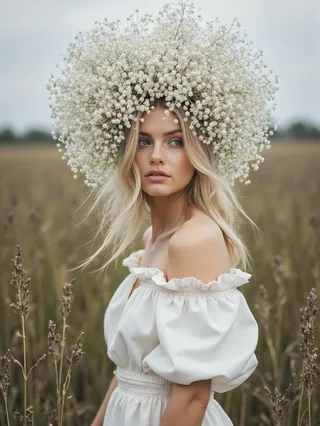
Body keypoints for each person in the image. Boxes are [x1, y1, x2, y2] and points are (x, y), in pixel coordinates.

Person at [47, 2, 279, 425]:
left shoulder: (196, 240)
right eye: (143, 140)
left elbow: (191, 397)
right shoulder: (152, 242)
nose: (157, 156)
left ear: (198, 152)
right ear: (126, 150)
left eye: (174, 141)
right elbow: (127, 373)